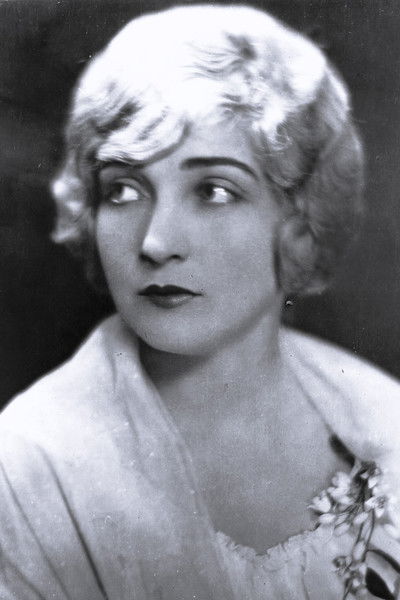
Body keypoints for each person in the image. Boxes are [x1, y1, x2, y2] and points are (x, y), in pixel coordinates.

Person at [1, 4, 400, 599]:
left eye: (213, 189)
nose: (155, 242)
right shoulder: (25, 465)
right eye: (123, 189)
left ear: (299, 221)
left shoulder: (384, 415)